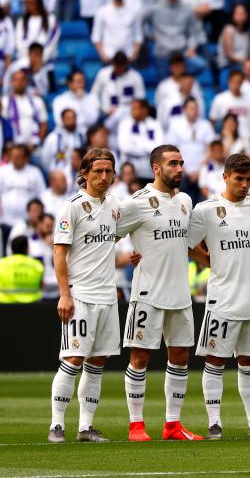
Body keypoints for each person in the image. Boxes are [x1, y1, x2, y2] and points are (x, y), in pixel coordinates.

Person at [187, 153, 250, 439]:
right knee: (215, 360)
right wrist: (210, 262)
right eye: (239, 179)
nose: (244, 185)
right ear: (226, 177)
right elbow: (188, 244)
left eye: (248, 179)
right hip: (222, 300)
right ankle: (214, 422)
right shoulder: (205, 210)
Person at [115, 145, 203, 441]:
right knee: (140, 357)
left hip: (180, 293)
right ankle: (136, 425)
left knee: (179, 356)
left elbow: (188, 244)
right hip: (147, 292)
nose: (179, 169)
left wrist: (217, 262)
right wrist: (128, 253)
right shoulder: (136, 203)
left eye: (181, 163)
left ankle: (172, 425)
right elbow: (107, 233)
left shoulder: (186, 201)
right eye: (173, 164)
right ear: (156, 168)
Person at [48, 149, 119, 443]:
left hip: (108, 295)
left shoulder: (114, 206)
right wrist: (65, 295)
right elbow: (59, 254)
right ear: (85, 173)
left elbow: (103, 250)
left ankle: (85, 428)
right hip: (81, 295)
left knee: (97, 362)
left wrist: (132, 257)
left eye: (108, 171)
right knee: (73, 358)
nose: (104, 177)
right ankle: (56, 425)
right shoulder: (72, 208)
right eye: (98, 171)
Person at [0, 234, 43, 302]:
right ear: (26, 248)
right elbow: (41, 285)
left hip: (5, 307)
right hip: (32, 307)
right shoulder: (37, 265)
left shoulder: (1, 264)